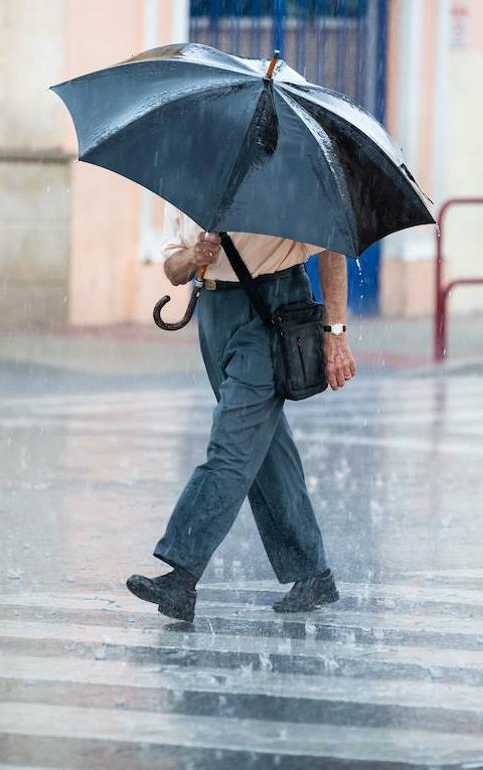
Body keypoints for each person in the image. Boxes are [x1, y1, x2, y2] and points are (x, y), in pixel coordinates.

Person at [127, 205, 357, 622]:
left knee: (232, 447)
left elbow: (331, 248)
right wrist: (195, 256)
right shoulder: (190, 176)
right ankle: (312, 572)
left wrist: (335, 333)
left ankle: (182, 572)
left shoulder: (284, 173)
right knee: (262, 447)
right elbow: (173, 269)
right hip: (214, 314)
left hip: (271, 309)